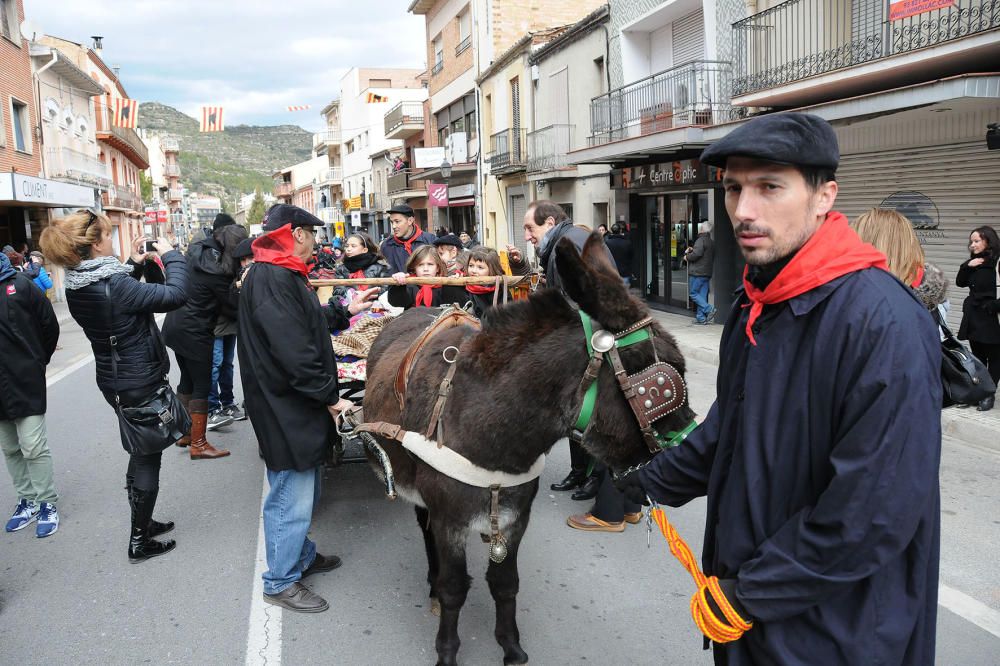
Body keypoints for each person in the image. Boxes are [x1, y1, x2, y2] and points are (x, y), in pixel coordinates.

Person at [615, 113, 941, 663]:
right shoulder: (760, 302)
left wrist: (751, 593)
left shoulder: (881, 320)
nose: (744, 210)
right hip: (753, 616)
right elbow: (730, 432)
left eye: (770, 187)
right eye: (734, 189)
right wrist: (644, 484)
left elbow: (871, 512)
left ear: (823, 196)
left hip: (840, 632)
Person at [39, 211, 187, 561]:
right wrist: (171, 255)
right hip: (139, 380)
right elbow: (177, 294)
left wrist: (133, 264)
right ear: (95, 243)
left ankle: (144, 522)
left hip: (116, 379)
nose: (112, 239)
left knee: (141, 450)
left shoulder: (79, 283)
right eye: (108, 234)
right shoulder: (114, 284)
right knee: (148, 456)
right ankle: (140, 540)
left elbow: (116, 300)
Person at [237, 205, 351, 613]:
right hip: (283, 406)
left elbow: (304, 323)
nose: (316, 243)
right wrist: (330, 397)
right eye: (313, 235)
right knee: (291, 492)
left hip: (290, 403)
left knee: (304, 485)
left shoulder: (276, 273)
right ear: (297, 234)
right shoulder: (272, 278)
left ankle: (300, 557)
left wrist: (343, 312)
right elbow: (295, 352)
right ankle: (280, 580)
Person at [508, 200, 610, 501]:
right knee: (576, 412)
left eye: (530, 228)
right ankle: (581, 472)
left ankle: (595, 479)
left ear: (550, 223)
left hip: (592, 342)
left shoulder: (568, 245)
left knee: (591, 414)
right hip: (585, 340)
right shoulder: (564, 243)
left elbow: (579, 302)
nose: (527, 235)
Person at [162, 213, 248, 457]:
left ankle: (184, 434)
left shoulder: (198, 254)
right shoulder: (217, 272)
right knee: (201, 383)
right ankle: (199, 444)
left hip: (175, 325)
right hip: (195, 331)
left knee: (187, 380)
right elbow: (232, 306)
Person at [1, 250, 60, 537]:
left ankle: (46, 502)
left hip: (24, 378)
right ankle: (27, 500)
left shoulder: (20, 284)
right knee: (10, 448)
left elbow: (49, 324)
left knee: (33, 446)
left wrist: (38, 361)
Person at [207, 239, 256, 429]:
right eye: (243, 260)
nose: (247, 263)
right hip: (218, 325)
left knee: (227, 364)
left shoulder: (250, 273)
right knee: (215, 365)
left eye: (250, 258)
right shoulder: (224, 272)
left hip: (231, 325)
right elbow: (227, 302)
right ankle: (212, 409)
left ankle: (227, 403)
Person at [956, 226, 1000, 411]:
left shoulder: (997, 262)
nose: (972, 245)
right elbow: (960, 282)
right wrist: (967, 265)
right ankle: (978, 393)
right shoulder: (974, 262)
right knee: (978, 358)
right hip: (974, 317)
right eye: (971, 241)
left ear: (988, 241)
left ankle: (989, 394)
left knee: (995, 357)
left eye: (976, 241)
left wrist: (994, 305)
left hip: (992, 318)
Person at [387, 245, 465, 309]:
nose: (425, 269)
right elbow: (396, 302)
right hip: (414, 325)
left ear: (437, 268)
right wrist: (397, 285)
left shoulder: (445, 286)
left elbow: (460, 305)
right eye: (420, 265)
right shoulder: (409, 286)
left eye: (430, 264)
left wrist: (456, 285)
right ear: (414, 268)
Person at [331, 232, 392, 307]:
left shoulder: (380, 267)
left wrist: (369, 294)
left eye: (353, 246)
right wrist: (352, 293)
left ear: (364, 250)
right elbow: (337, 291)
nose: (348, 249)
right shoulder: (341, 269)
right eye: (347, 246)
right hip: (350, 309)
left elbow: (387, 289)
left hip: (376, 310)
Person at [380, 204, 436, 274]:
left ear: (410, 220)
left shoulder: (430, 240)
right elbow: (383, 272)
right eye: (392, 222)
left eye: (397, 221)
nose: (393, 226)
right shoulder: (386, 245)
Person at [684, 220, 717, 324]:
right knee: (702, 296)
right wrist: (692, 249)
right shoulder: (710, 241)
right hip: (707, 273)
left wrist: (687, 257)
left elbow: (696, 255)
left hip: (697, 272)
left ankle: (709, 309)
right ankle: (701, 318)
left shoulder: (700, 240)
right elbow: (703, 254)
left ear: (702, 229)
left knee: (693, 293)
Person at [462, 247, 510, 317]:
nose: (473, 271)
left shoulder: (501, 290)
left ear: (492, 270)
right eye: (471, 266)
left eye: (480, 267)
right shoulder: (464, 286)